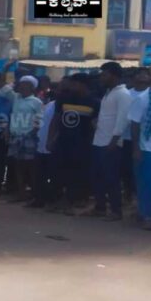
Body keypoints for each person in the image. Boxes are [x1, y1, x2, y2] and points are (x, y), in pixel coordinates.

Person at [47, 73, 99, 215]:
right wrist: (50, 139)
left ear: (83, 84)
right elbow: (55, 120)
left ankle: (74, 201)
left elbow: (96, 125)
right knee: (59, 172)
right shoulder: (63, 99)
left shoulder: (94, 102)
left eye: (74, 83)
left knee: (78, 174)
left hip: (83, 144)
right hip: (63, 142)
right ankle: (59, 200)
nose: (70, 86)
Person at [90, 62, 133, 221]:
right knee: (98, 176)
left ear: (114, 76)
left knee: (111, 178)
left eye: (105, 74)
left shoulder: (123, 94)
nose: (102, 77)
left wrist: (114, 141)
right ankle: (100, 207)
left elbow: (123, 119)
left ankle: (116, 211)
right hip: (100, 140)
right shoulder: (109, 93)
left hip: (111, 143)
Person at [0, 74, 43, 203]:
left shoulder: (36, 102)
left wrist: (32, 133)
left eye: (24, 85)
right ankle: (21, 193)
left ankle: (34, 193)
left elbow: (39, 120)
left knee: (30, 167)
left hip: (28, 137)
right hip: (15, 137)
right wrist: (6, 69)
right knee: (17, 166)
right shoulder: (16, 98)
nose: (21, 87)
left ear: (31, 87)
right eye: (21, 84)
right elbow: (3, 85)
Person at [122, 69, 151, 202]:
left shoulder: (148, 94)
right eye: (139, 73)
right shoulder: (129, 95)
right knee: (129, 169)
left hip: (145, 141)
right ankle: (130, 195)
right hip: (128, 138)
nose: (143, 76)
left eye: (146, 74)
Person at [128, 80, 151, 230]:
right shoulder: (143, 99)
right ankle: (147, 217)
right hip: (146, 148)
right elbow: (135, 125)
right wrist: (136, 148)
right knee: (147, 185)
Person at [30, 97, 59, 209]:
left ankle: (51, 200)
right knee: (39, 174)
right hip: (41, 143)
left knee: (52, 175)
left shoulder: (62, 106)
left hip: (52, 145)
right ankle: (38, 199)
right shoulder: (49, 104)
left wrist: (52, 140)